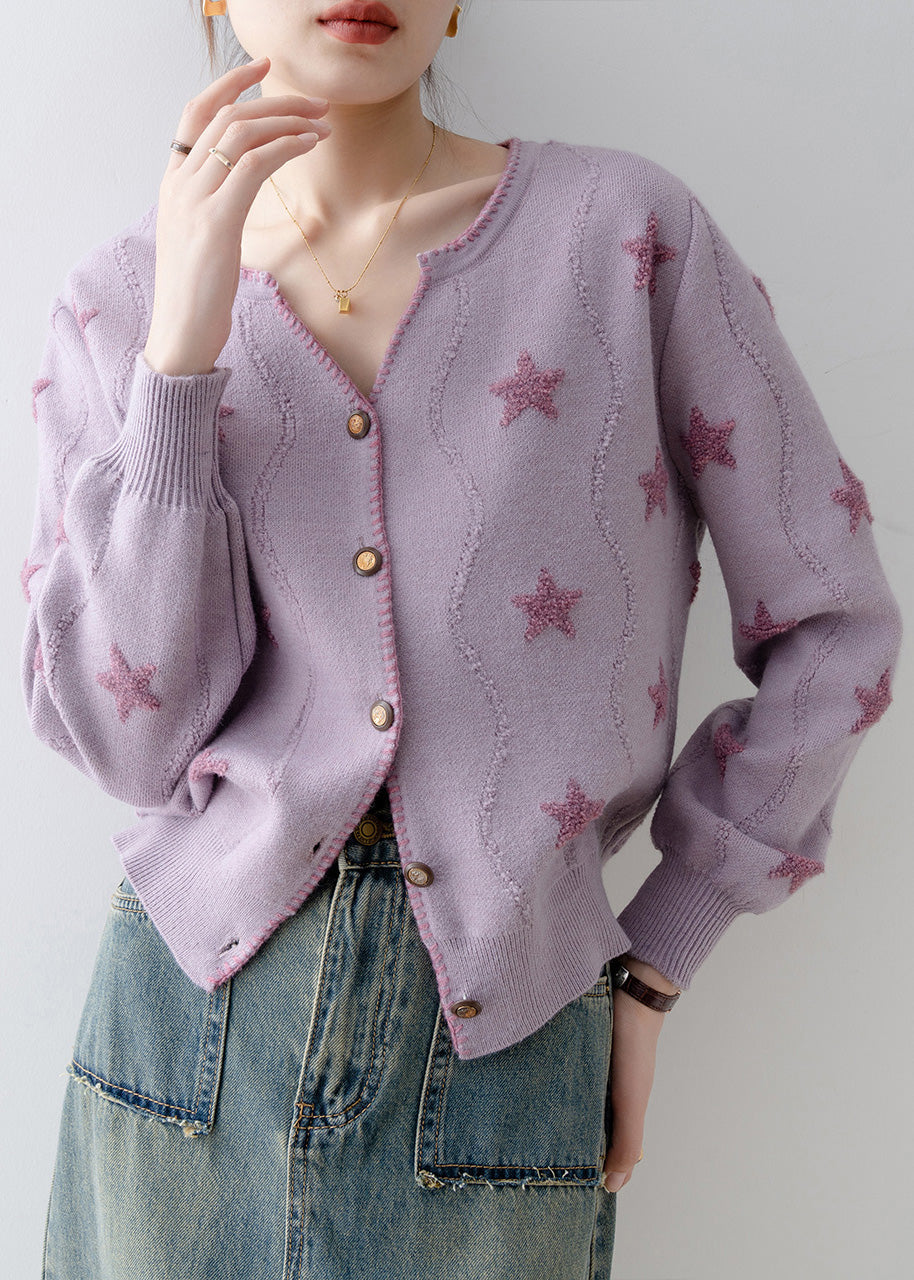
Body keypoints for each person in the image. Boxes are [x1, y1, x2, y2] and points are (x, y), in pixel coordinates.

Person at [21, 2, 902, 1277]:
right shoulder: (119, 303)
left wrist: (661, 951)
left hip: (510, 1036)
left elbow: (833, 625)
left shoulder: (622, 239)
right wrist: (181, 354)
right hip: (182, 1043)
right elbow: (127, 737)